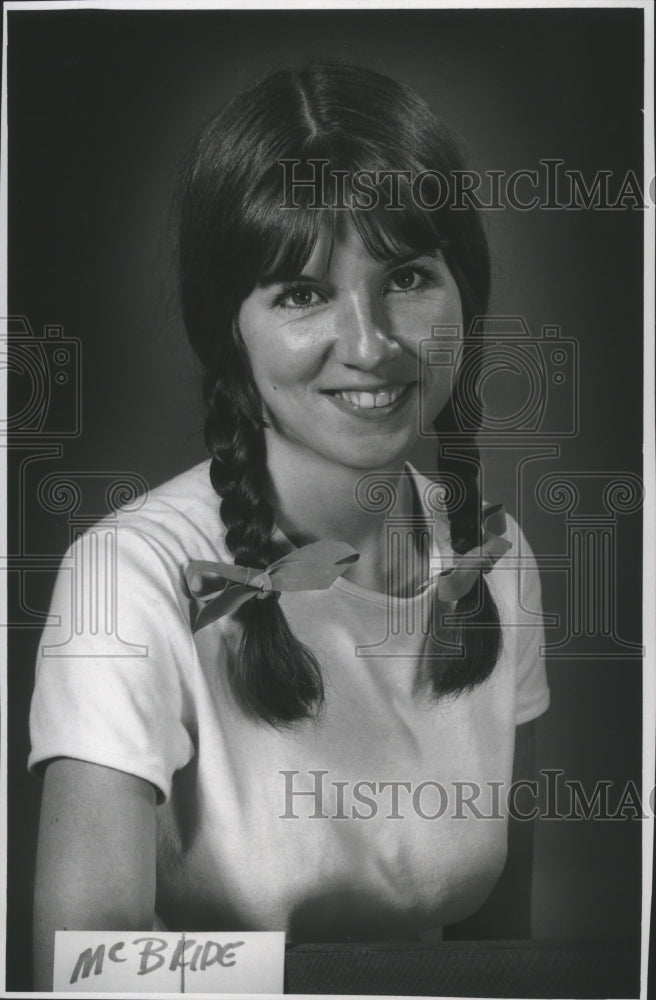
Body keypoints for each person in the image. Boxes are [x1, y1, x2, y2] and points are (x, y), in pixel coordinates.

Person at [29, 62, 549, 989]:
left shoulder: (498, 564)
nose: (370, 343)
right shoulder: (128, 576)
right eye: (301, 293)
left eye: (410, 277)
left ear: (467, 297)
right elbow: (84, 973)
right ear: (227, 330)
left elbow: (503, 966)